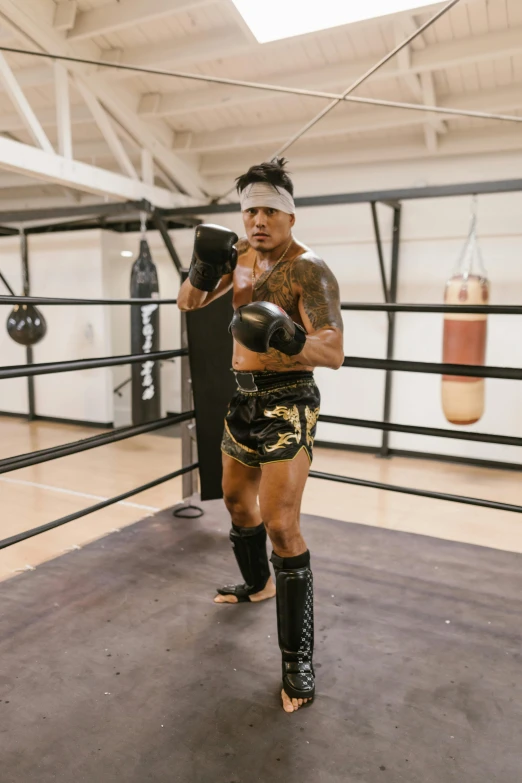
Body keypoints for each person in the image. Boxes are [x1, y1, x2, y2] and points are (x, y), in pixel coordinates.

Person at [177, 158, 344, 713]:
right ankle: (257, 583)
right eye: (251, 210)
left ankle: (297, 658)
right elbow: (188, 304)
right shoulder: (240, 257)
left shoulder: (310, 271)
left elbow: (335, 352)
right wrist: (202, 269)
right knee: (233, 501)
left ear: (290, 216)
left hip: (290, 402)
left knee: (280, 523)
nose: (259, 220)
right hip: (243, 397)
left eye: (270, 210)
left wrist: (289, 336)